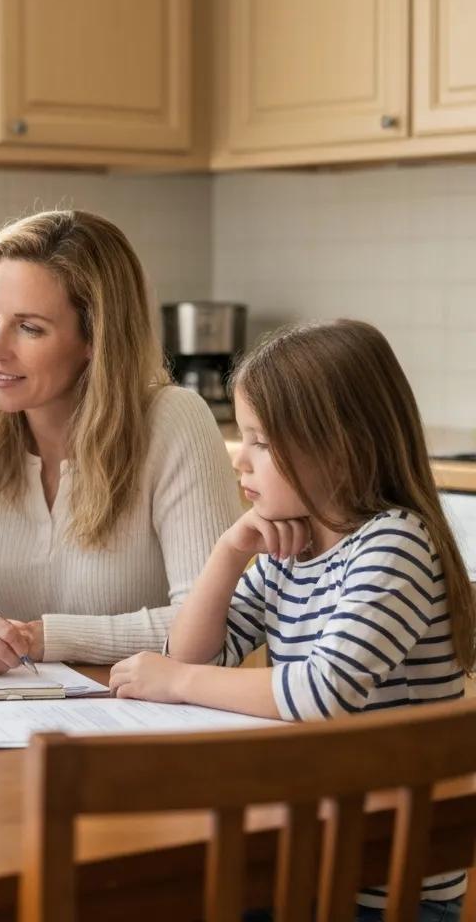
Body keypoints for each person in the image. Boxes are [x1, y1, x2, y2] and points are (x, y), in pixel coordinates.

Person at [109, 319, 474, 919]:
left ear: (335, 446)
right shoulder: (295, 549)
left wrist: (176, 684)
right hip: (304, 868)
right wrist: (229, 552)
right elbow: (195, 654)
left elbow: (320, 692)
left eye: (259, 440)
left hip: (386, 893)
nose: (239, 457)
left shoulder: (395, 545)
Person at [0, 209, 243, 672]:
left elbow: (213, 626)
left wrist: (43, 638)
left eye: (30, 328)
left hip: (139, 718)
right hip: (0, 717)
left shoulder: (175, 423)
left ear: (96, 337)